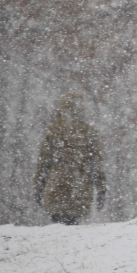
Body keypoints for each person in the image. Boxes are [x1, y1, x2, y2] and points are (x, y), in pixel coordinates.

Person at [34, 93, 106, 225]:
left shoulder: (53, 131)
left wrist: (39, 187)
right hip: (79, 188)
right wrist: (101, 189)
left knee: (57, 227)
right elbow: (97, 164)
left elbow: (43, 163)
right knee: (73, 228)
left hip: (56, 187)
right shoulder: (89, 132)